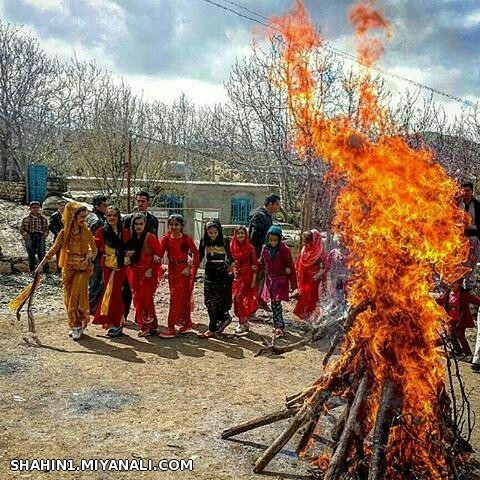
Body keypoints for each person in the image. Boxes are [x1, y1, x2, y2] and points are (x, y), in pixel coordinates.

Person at [35, 202, 97, 340]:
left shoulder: (86, 231)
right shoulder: (64, 233)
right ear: (73, 217)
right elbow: (53, 250)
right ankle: (75, 324)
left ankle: (77, 326)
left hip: (82, 269)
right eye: (81, 217)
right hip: (68, 269)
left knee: (77, 297)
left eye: (85, 217)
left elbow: (94, 249)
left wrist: (89, 256)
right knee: (69, 299)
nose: (84, 220)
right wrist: (40, 265)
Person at [157, 214, 200, 339]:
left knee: (176, 299)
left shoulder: (186, 239)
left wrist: (189, 268)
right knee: (179, 298)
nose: (174, 227)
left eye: (176, 224)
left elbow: (196, 254)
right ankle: (186, 323)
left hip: (183, 272)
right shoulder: (166, 238)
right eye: (171, 224)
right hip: (172, 271)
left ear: (181, 226)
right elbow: (160, 252)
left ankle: (171, 327)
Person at [92, 206, 131, 338]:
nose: (112, 218)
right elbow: (95, 248)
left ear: (118, 217)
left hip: (120, 267)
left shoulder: (125, 232)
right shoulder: (101, 232)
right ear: (106, 217)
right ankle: (112, 323)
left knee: (116, 294)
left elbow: (128, 249)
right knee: (109, 293)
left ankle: (117, 323)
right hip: (107, 266)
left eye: (114, 215)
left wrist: (124, 256)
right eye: (109, 216)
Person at [122, 191, 159, 321]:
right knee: (126, 290)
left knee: (145, 293)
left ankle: (144, 318)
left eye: (143, 201)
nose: (140, 204)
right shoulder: (127, 219)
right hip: (131, 261)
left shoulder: (153, 220)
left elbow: (154, 242)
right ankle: (124, 316)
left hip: (146, 261)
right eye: (138, 201)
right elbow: (124, 239)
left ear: (147, 202)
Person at [125, 212, 162, 337]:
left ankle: (149, 326)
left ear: (145, 224)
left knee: (146, 301)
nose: (138, 226)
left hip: (147, 274)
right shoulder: (132, 238)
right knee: (138, 300)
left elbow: (158, 255)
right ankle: (145, 325)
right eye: (136, 224)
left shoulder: (150, 237)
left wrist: (151, 269)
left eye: (141, 224)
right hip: (135, 273)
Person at [198, 220, 234, 338]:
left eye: (215, 232)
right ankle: (223, 319)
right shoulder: (204, 241)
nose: (212, 235)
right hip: (210, 271)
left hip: (221, 273)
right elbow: (199, 256)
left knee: (218, 299)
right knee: (208, 299)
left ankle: (213, 327)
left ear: (219, 232)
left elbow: (230, 257)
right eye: (210, 232)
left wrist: (227, 266)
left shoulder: (225, 241)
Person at [260, 225, 297, 337]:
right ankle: (277, 324)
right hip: (270, 280)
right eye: (271, 240)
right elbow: (261, 262)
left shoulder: (284, 250)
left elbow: (291, 267)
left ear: (279, 239)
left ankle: (279, 326)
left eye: (275, 240)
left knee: (276, 304)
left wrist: (294, 286)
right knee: (273, 303)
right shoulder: (265, 249)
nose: (273, 242)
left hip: (280, 280)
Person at [248, 193, 281, 312]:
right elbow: (254, 237)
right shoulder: (259, 216)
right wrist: (269, 243)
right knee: (256, 280)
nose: (278, 207)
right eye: (277, 204)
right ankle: (251, 308)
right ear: (270, 204)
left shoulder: (266, 216)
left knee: (263, 280)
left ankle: (260, 301)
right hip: (257, 256)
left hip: (264, 255)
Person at [437, 279, 480, 362]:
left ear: (459, 284)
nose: (451, 284)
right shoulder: (447, 293)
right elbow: (440, 300)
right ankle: (458, 351)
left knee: (461, 336)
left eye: (454, 283)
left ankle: (468, 354)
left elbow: (475, 299)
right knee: (451, 336)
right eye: (450, 282)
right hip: (451, 320)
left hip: (460, 321)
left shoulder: (464, 294)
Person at [294, 230, 329, 321]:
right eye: (304, 242)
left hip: (313, 280)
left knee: (312, 298)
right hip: (305, 278)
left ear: (314, 242)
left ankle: (311, 315)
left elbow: (323, 267)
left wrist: (317, 275)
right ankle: (302, 313)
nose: (306, 244)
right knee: (304, 296)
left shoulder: (318, 253)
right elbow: (299, 262)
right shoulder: (304, 250)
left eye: (308, 242)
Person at [230, 226, 258, 335]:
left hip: (247, 277)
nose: (240, 235)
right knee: (236, 300)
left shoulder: (250, 248)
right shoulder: (232, 247)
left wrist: (253, 281)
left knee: (238, 298)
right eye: (238, 233)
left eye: (242, 233)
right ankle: (245, 321)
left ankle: (242, 322)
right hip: (236, 276)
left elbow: (255, 265)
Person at [87, 195, 108, 314]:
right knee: (96, 283)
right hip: (98, 256)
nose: (106, 207)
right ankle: (92, 307)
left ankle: (93, 306)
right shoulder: (96, 221)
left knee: (95, 282)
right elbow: (96, 241)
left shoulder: (93, 217)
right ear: (97, 206)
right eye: (104, 205)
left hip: (95, 255)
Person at [458, 182, 480, 290]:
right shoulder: (457, 203)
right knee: (457, 266)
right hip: (458, 240)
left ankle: (468, 291)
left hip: (472, 239)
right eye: (464, 190)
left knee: (471, 265)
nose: (466, 193)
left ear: (472, 191)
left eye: (468, 190)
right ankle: (455, 291)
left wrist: (470, 227)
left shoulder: (477, 205)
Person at [20, 201, 50, 274]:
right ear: (30, 209)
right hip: (30, 236)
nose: (35, 209)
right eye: (33, 208)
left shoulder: (43, 219)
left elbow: (46, 229)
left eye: (37, 208)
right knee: (31, 254)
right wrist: (25, 235)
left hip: (40, 236)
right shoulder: (26, 219)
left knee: (42, 254)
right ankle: (32, 270)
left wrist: (44, 235)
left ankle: (46, 270)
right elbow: (21, 228)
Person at [48, 199, 66, 273]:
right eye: (61, 205)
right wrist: (57, 233)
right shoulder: (54, 215)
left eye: (64, 206)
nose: (62, 207)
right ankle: (59, 269)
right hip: (58, 237)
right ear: (58, 206)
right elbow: (50, 226)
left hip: (67, 237)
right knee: (58, 253)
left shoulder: (68, 215)